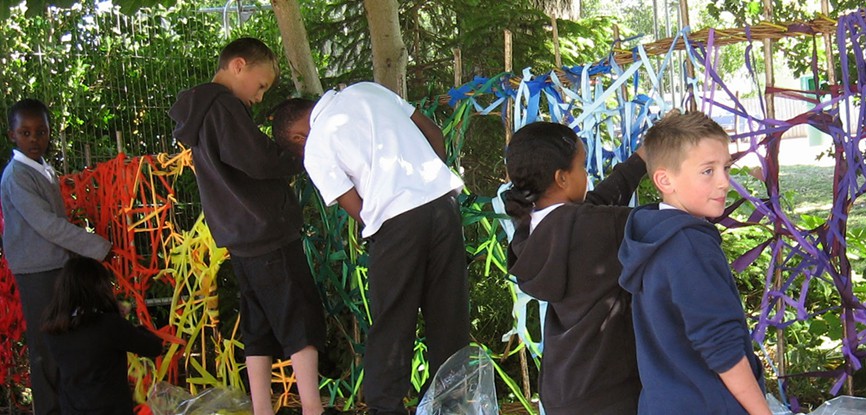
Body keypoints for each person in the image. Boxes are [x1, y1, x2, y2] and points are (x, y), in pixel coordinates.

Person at [271, 83, 469, 415]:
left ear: (298, 139)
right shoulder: (368, 90)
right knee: (449, 314)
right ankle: (451, 405)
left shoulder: (317, 145)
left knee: (393, 318)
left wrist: (386, 216)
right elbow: (432, 131)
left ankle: (386, 408)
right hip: (443, 203)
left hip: (396, 221)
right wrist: (425, 182)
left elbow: (354, 205)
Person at [169, 38, 328, 415]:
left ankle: (261, 408)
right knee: (299, 319)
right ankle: (311, 407)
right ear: (238, 65)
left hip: (240, 239)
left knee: (258, 326)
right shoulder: (223, 106)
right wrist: (299, 158)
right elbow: (256, 160)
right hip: (267, 233)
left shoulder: (202, 112)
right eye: (261, 86)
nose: (259, 98)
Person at [617, 111, 771, 415]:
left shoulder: (652, 233)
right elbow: (721, 346)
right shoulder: (688, 244)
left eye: (726, 167)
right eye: (707, 171)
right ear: (664, 179)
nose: (724, 182)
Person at [503, 121, 645, 414]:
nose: (587, 175)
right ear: (562, 178)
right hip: (608, 393)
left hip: (563, 388)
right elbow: (664, 221)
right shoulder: (593, 227)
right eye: (582, 166)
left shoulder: (533, 231)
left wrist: (642, 159)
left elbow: (595, 203)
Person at [1, 98, 113, 415]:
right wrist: (98, 247)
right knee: (45, 347)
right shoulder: (18, 176)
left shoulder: (41, 170)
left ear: (51, 133)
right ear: (11, 135)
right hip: (37, 272)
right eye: (25, 133)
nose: (34, 139)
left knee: (63, 340)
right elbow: (48, 225)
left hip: (55, 267)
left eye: (41, 132)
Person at [40, 257, 162, 415]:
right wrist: (123, 321)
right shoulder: (108, 325)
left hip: (72, 408)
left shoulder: (52, 329)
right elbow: (153, 347)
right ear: (99, 288)